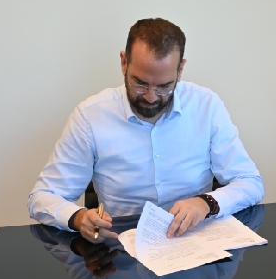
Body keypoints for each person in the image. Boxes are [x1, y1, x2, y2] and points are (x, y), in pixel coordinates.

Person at [28, 18, 263, 243]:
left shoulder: (206, 106)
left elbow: (250, 182)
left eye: (164, 86)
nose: (151, 97)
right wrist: (78, 218)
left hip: (195, 244)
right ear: (124, 62)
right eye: (140, 83)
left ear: (180, 70)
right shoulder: (90, 117)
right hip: (122, 250)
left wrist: (206, 203)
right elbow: (42, 197)